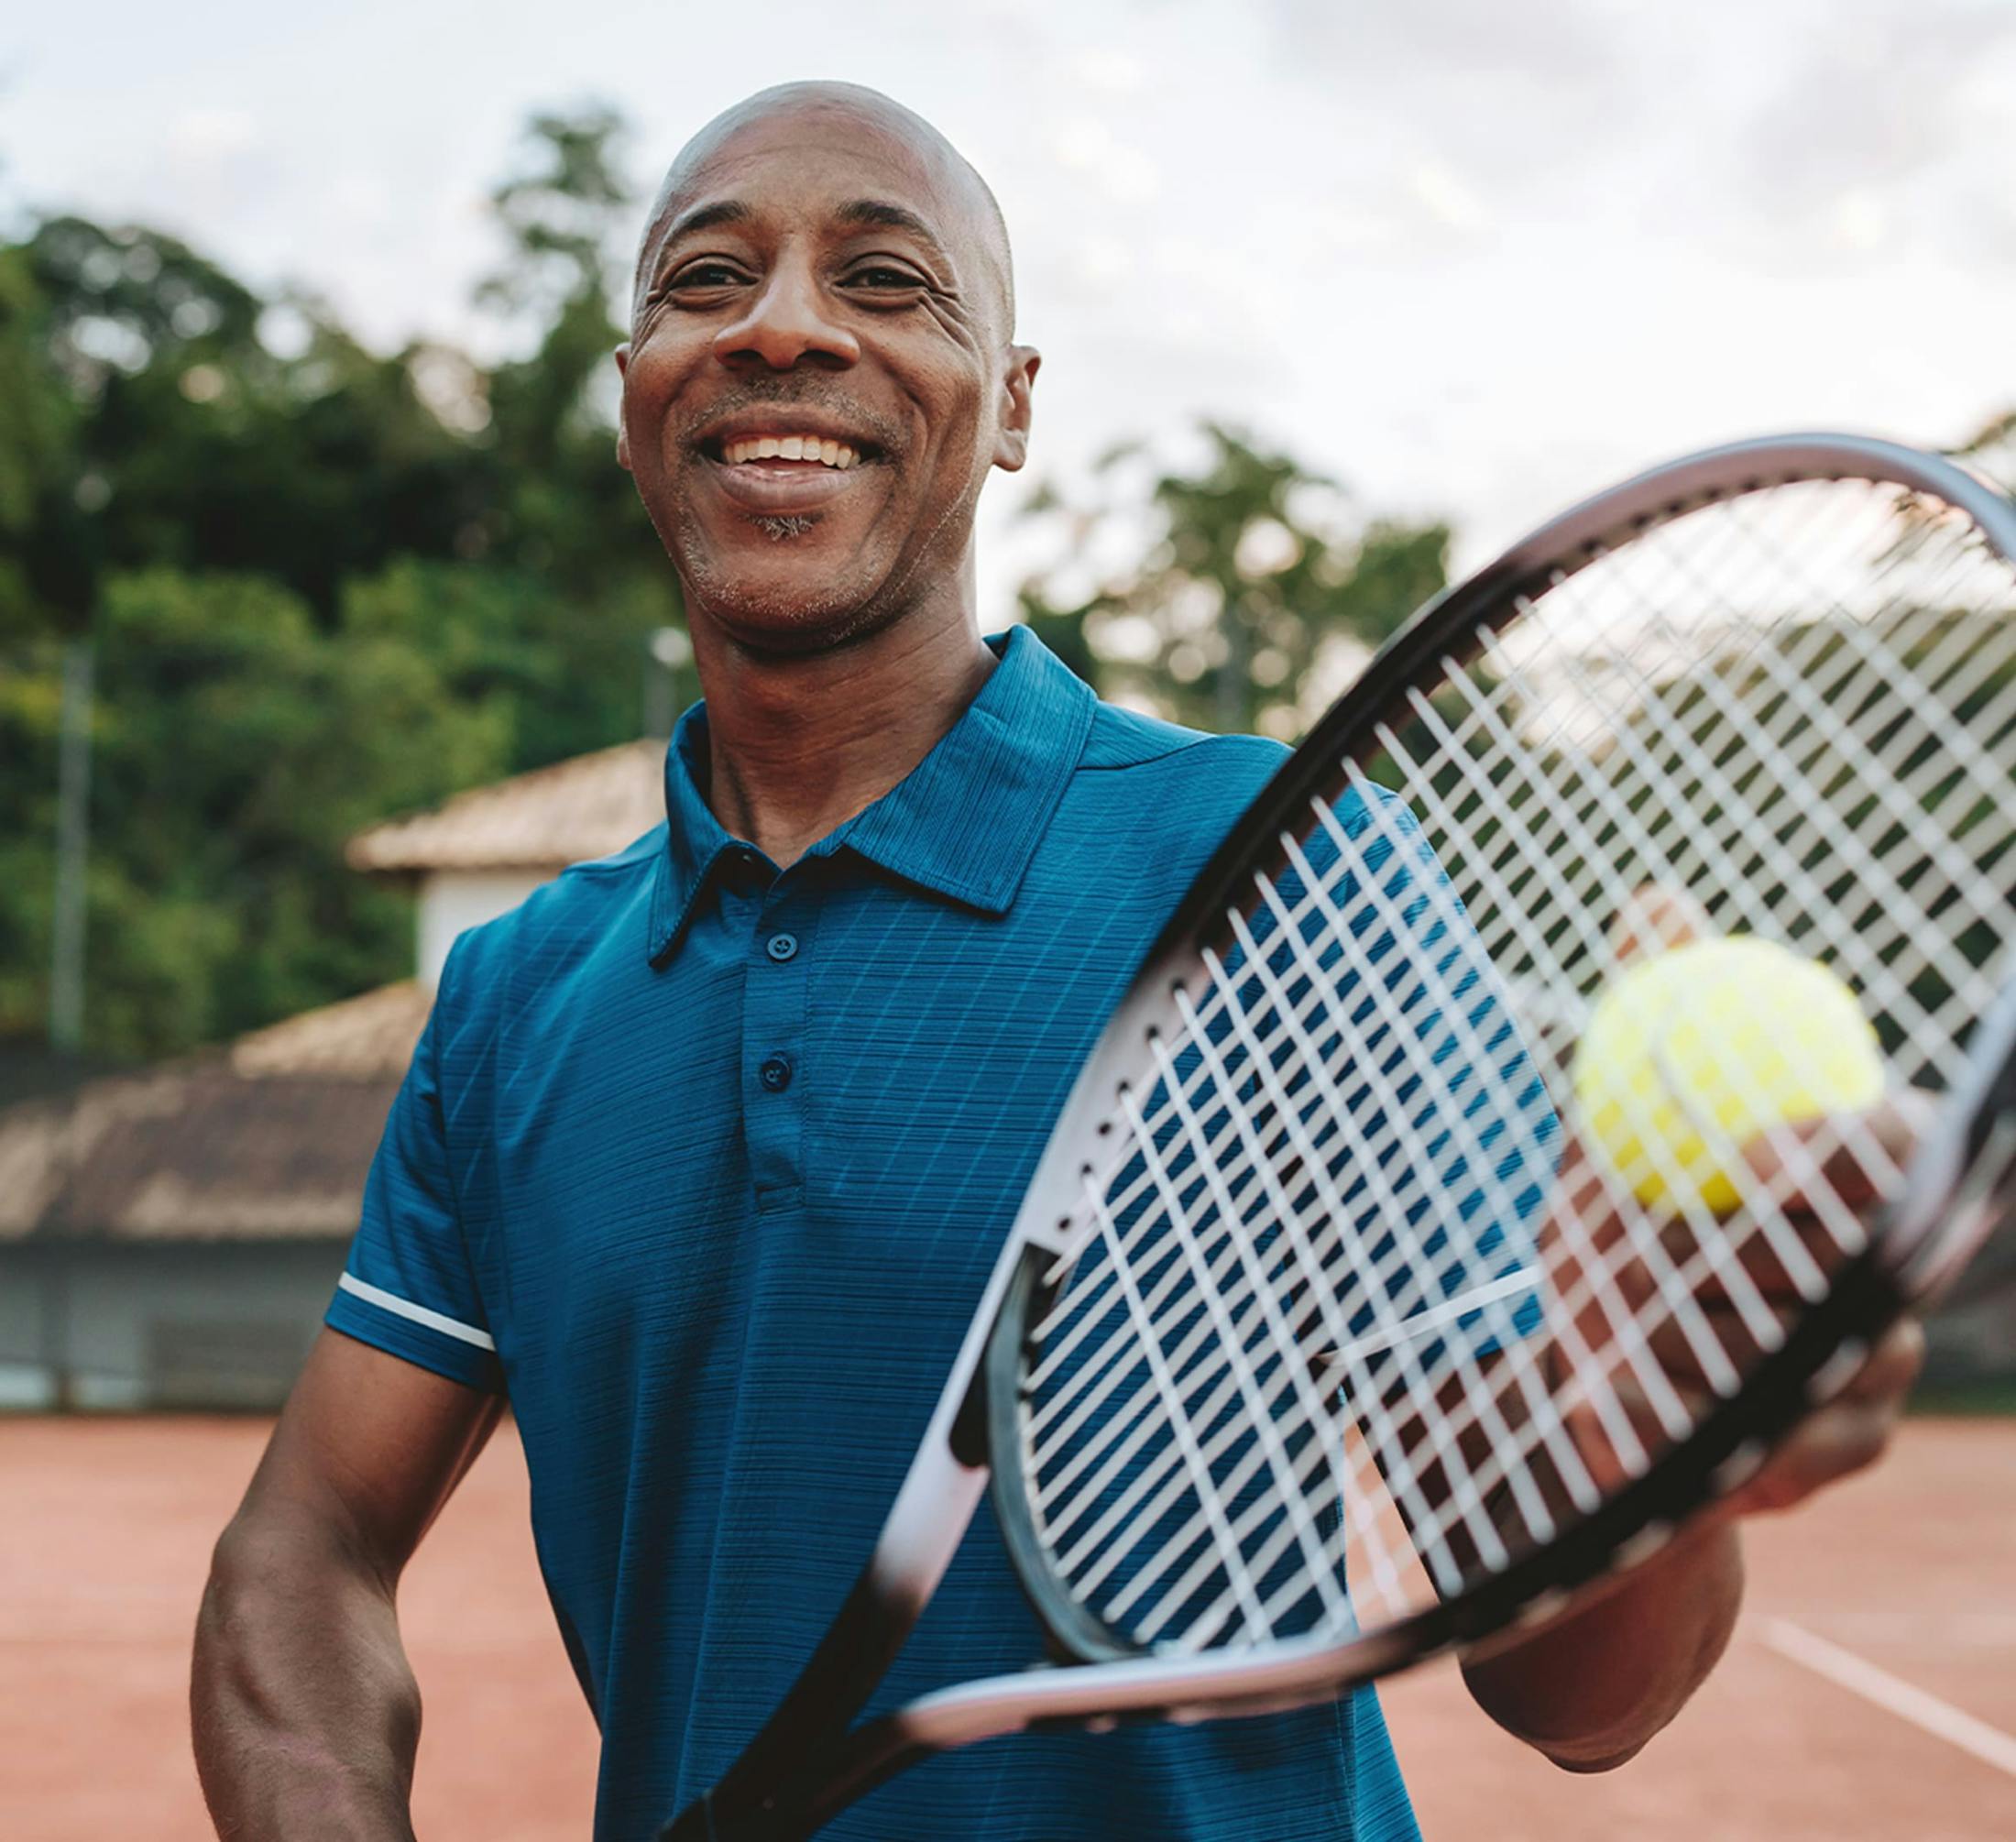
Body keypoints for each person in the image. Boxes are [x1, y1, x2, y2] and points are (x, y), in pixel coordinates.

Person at [191, 82, 1924, 1841]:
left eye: (887, 282)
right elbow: (305, 1541)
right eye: (706, 280)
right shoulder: (511, 1000)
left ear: (1011, 408)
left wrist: (1671, 1457)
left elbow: (1580, 1697)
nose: (782, 322)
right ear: (636, 396)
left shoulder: (1278, 868)